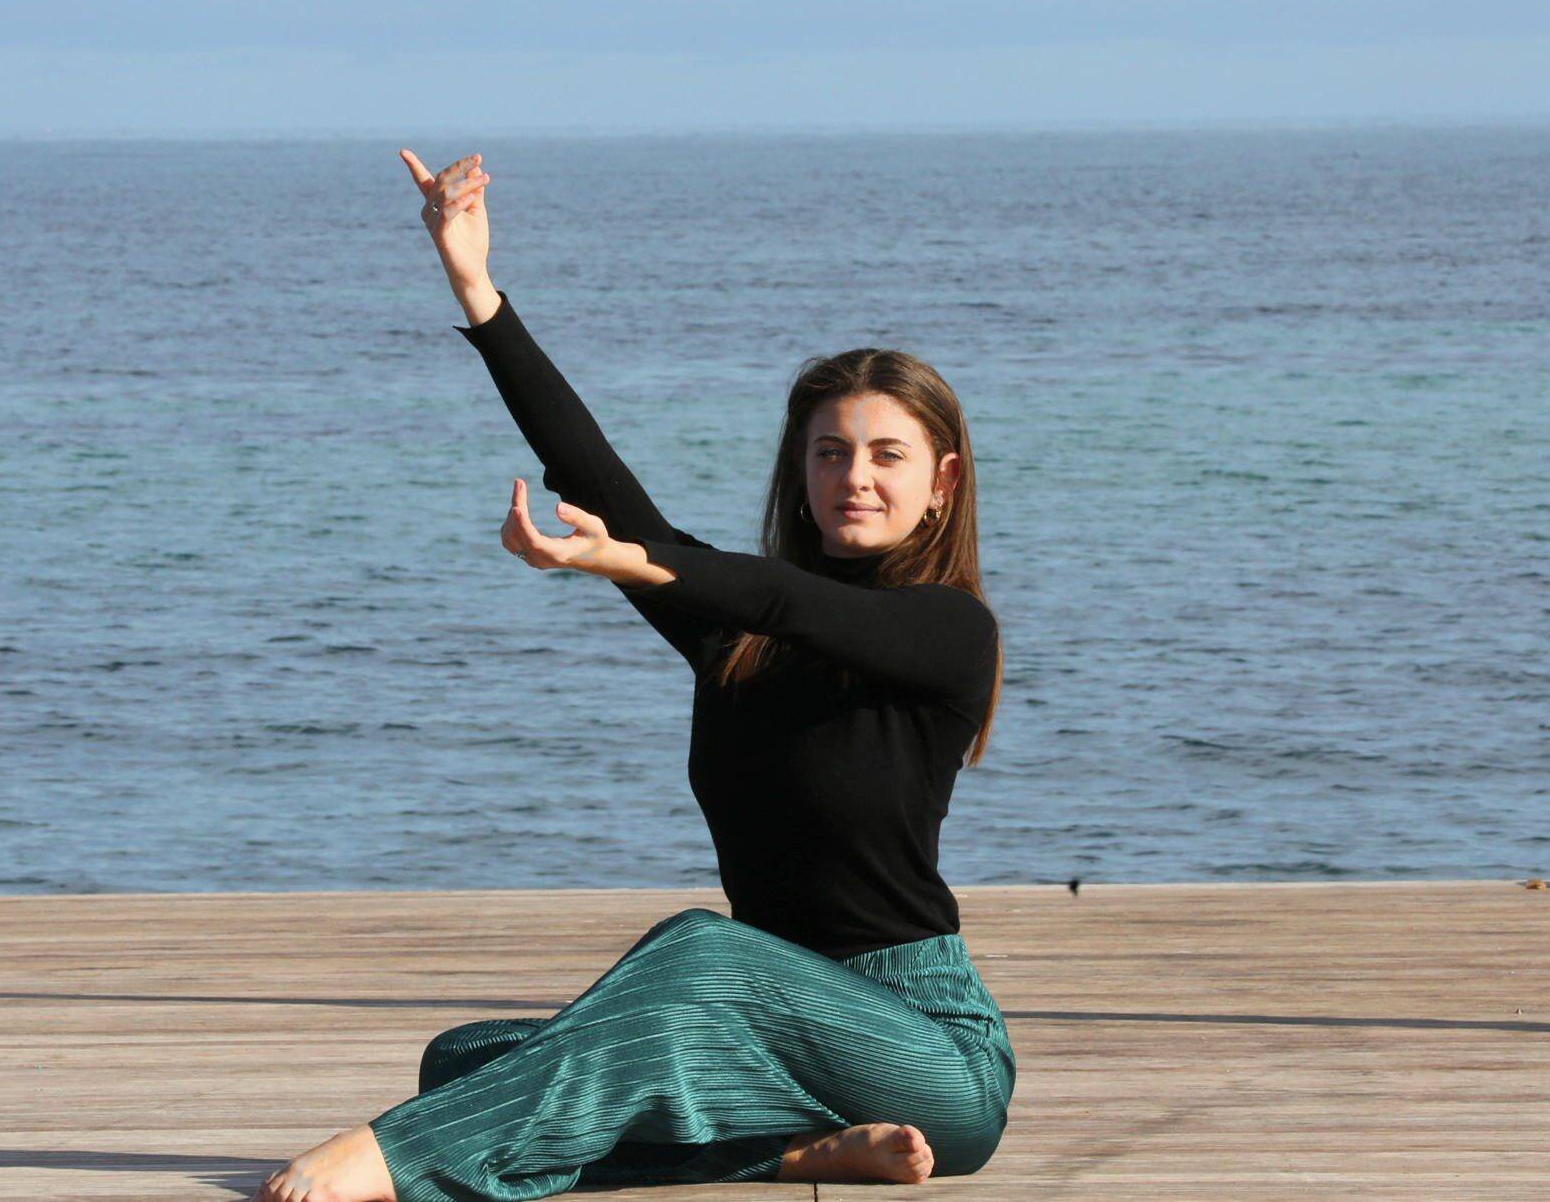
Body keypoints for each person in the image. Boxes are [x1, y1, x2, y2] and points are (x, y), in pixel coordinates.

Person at [251, 149, 1014, 1202]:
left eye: (889, 454)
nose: (855, 476)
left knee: (701, 952)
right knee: (465, 1059)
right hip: (761, 1032)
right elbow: (596, 477)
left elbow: (783, 598)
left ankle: (394, 1156)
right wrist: (477, 288)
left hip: (924, 1046)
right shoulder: (736, 639)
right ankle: (785, 1152)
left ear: (942, 482)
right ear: (800, 470)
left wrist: (629, 561)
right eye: (831, 452)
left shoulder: (951, 634)